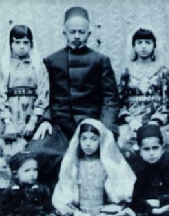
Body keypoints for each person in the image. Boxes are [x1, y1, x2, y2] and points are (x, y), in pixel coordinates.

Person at [41, 6, 119, 187]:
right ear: (64, 33)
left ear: (89, 34)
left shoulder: (100, 60)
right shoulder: (52, 61)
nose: (77, 36)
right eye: (72, 32)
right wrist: (45, 119)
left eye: (81, 32)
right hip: (60, 126)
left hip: (92, 126)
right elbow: (46, 95)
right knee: (42, 154)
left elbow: (110, 98)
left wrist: (106, 129)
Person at [43, 119, 137, 216]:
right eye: (84, 138)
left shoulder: (107, 165)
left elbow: (118, 194)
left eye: (93, 139)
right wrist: (78, 215)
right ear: (78, 140)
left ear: (101, 141)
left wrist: (108, 210)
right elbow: (63, 198)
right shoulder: (74, 165)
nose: (88, 144)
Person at [0, 24, 50, 188]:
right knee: (6, 159)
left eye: (25, 42)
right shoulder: (4, 67)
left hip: (29, 119)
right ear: (10, 44)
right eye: (17, 42)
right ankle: (7, 199)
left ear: (31, 44)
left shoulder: (38, 67)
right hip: (9, 119)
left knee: (28, 160)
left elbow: (43, 95)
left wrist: (33, 122)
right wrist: (8, 123)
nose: (21, 47)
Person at [118, 27, 169, 152]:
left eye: (147, 43)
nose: (143, 47)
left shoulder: (163, 71)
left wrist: (156, 121)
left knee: (162, 144)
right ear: (134, 46)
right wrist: (130, 119)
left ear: (154, 45)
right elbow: (119, 101)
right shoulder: (126, 71)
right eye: (139, 43)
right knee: (123, 144)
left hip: (157, 121)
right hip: (132, 122)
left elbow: (168, 102)